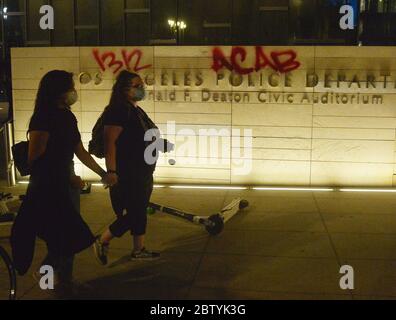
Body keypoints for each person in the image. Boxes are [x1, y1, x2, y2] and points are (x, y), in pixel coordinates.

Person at [11, 70, 111, 294]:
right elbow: (36, 158)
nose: (73, 92)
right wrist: (69, 176)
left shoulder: (67, 116)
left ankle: (64, 280)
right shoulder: (42, 118)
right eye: (70, 87)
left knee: (68, 234)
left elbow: (80, 151)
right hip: (48, 185)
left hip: (67, 182)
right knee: (64, 232)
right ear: (57, 90)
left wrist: (103, 173)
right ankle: (48, 275)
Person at [93, 70, 173, 265]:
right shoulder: (118, 111)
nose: (142, 89)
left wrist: (158, 144)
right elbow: (110, 142)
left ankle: (139, 249)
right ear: (124, 89)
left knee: (139, 210)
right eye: (137, 86)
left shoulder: (134, 109)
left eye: (142, 85)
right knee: (136, 211)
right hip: (129, 173)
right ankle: (103, 239)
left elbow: (138, 138)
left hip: (142, 171)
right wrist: (111, 172)